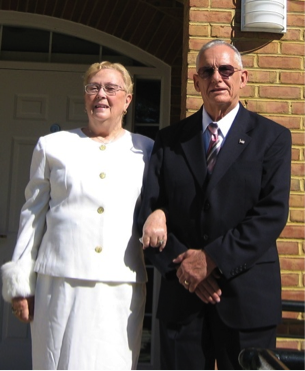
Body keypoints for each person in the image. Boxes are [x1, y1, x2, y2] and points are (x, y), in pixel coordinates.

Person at [138, 39, 291, 370]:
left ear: (243, 78)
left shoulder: (272, 138)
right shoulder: (170, 140)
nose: (217, 78)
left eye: (226, 70)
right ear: (196, 81)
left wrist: (211, 260)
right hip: (183, 297)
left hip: (246, 298)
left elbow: (270, 214)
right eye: (207, 71)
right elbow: (149, 211)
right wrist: (184, 267)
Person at [1, 61, 156, 371]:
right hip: (59, 284)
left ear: (127, 100)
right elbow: (32, 215)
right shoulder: (53, 146)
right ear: (85, 97)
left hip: (119, 285)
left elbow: (159, 203)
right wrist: (21, 283)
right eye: (93, 88)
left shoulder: (147, 150)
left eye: (111, 89)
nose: (101, 95)